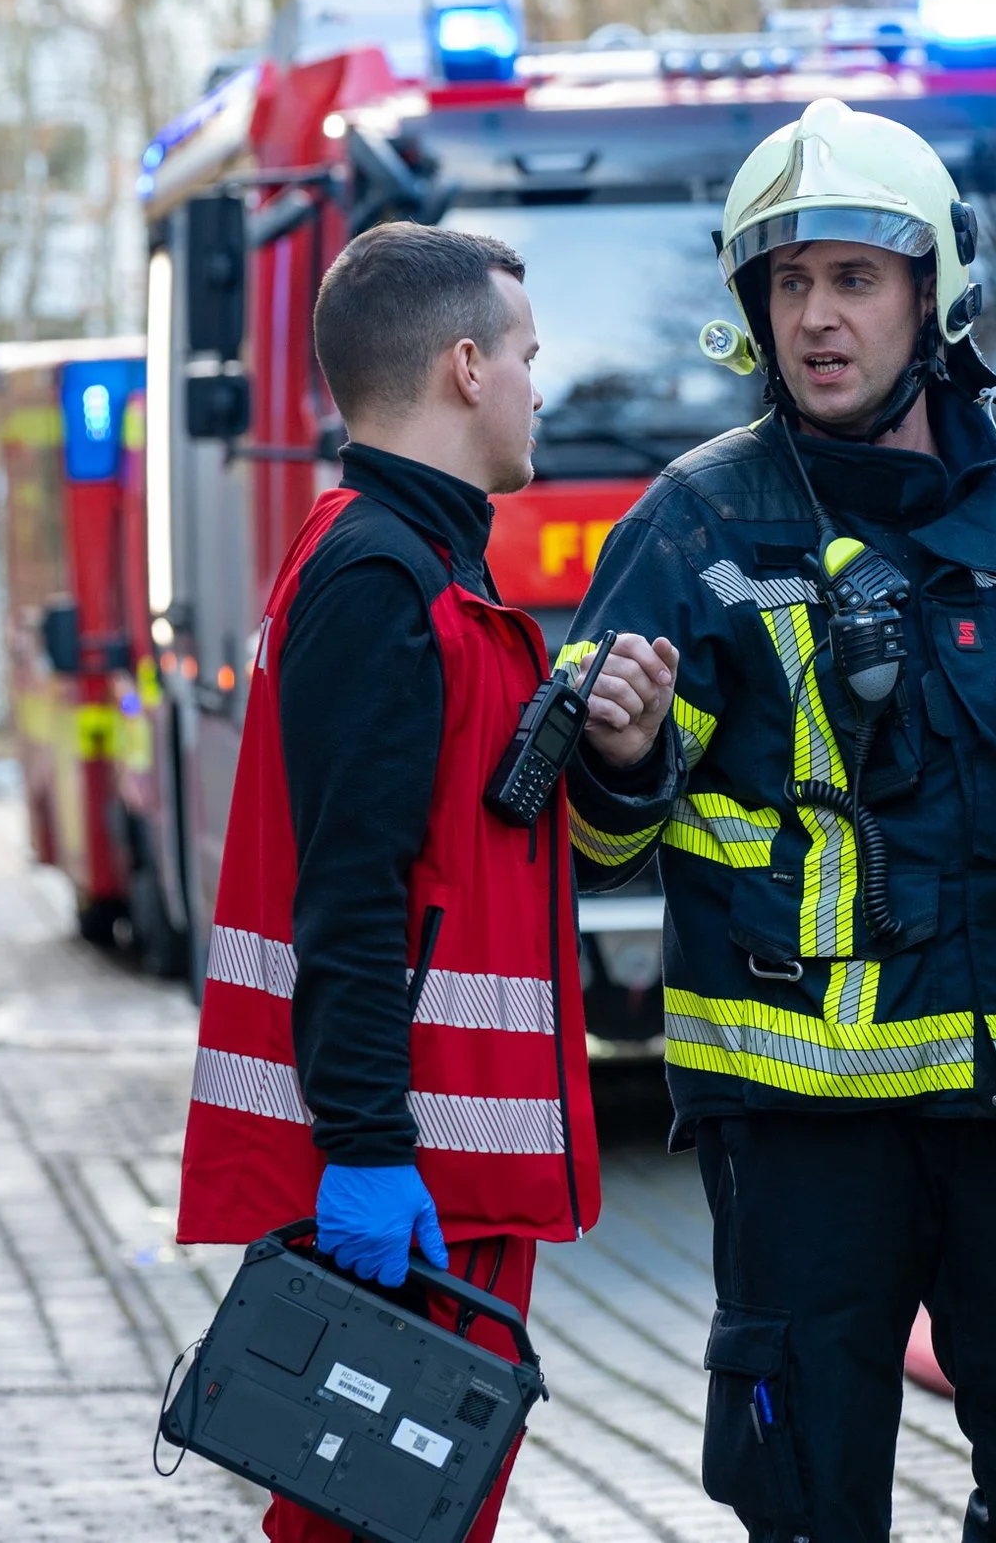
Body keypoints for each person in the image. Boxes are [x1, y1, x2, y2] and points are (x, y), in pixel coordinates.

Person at [561, 97, 996, 1543]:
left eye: (853, 277)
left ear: (935, 292)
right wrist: (621, 754)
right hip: (804, 1122)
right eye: (788, 282)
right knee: (805, 1498)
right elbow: (588, 848)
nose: (817, 317)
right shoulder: (692, 528)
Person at [174, 222, 678, 1543]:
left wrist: (619, 749)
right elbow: (347, 892)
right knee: (372, 1522)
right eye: (526, 354)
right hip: (415, 1175)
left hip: (448, 1164)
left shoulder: (415, 566)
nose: (538, 384)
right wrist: (367, 1146)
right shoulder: (385, 578)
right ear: (465, 365)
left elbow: (489, 843)